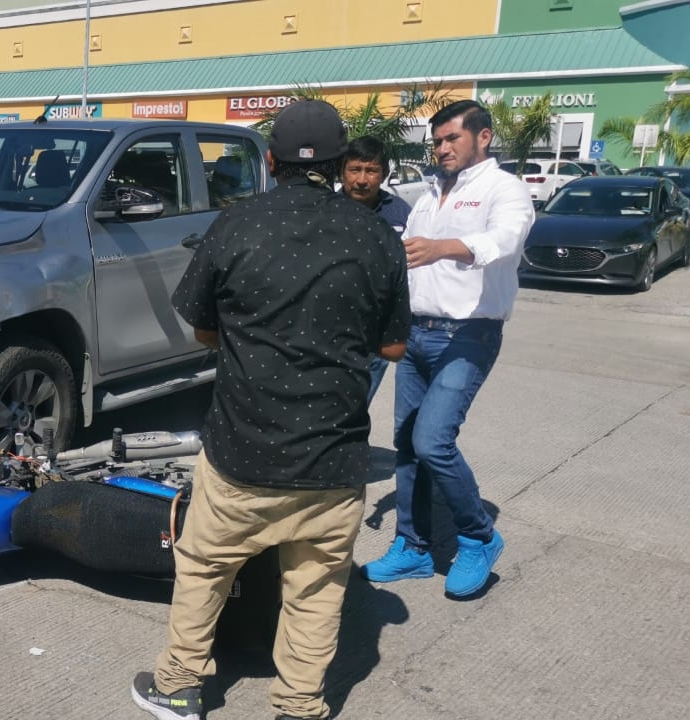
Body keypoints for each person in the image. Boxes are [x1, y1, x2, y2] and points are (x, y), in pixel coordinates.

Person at [130, 100, 410, 720]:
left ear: (272, 160)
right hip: (334, 461)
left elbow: (201, 325)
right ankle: (299, 705)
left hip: (241, 451)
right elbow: (393, 345)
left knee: (204, 568)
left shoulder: (235, 225)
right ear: (341, 165)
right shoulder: (377, 236)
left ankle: (178, 688)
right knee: (314, 590)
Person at [361, 99, 534, 598]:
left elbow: (505, 240)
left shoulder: (505, 190)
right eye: (436, 141)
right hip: (415, 332)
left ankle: (479, 536)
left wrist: (446, 247)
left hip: (468, 335)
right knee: (408, 445)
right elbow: (407, 258)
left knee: (434, 440)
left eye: (451, 138)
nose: (441, 149)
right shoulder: (430, 193)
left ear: (483, 136)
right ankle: (413, 548)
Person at [341, 135, 413, 405]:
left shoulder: (400, 214)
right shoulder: (324, 210)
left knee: (357, 406)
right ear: (342, 171)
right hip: (330, 328)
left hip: (377, 332)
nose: (362, 179)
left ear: (383, 174)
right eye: (354, 169)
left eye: (371, 171)